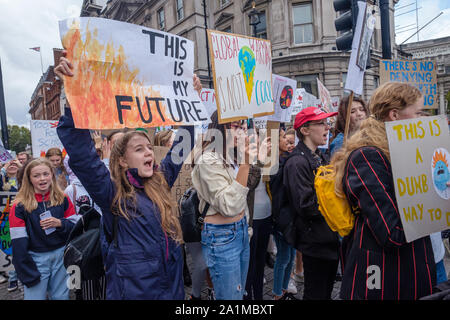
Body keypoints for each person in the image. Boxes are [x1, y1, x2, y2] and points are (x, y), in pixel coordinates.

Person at [55, 54, 201, 299]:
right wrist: (72, 98)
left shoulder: (160, 181)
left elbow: (182, 146)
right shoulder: (112, 194)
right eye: (139, 149)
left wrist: (191, 99)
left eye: (149, 147)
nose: (149, 153)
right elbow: (82, 157)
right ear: (122, 160)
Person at [332, 82, 436, 300]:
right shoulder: (368, 157)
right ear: (395, 115)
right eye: (417, 112)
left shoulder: (403, 151)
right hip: (386, 278)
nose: (422, 118)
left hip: (409, 269)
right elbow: (392, 233)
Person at [191, 112, 257, 300]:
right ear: (220, 128)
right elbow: (229, 206)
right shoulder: (208, 160)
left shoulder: (232, 156)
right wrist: (245, 164)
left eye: (243, 126)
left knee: (239, 292)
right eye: (236, 126)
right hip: (221, 236)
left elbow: (245, 192)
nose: (242, 131)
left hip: (241, 231)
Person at [284, 106, 340, 300]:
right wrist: (337, 198)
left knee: (325, 291)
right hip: (315, 241)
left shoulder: (321, 156)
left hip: (328, 237)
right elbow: (306, 205)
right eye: (321, 123)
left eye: (327, 123)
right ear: (305, 130)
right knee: (315, 294)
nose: (327, 128)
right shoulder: (297, 162)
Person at [9, 158, 78, 299]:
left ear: (52, 175)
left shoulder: (63, 198)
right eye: (36, 175)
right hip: (35, 259)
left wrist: (60, 223)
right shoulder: (19, 206)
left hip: (61, 256)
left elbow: (74, 227)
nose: (42, 179)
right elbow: (18, 244)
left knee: (61, 297)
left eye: (46, 174)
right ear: (29, 179)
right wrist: (26, 270)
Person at [244, 133, 272, 300]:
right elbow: (248, 186)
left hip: (266, 214)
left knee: (260, 261)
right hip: (251, 217)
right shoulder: (244, 160)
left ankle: (259, 296)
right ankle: (247, 297)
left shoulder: (270, 158)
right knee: (249, 264)